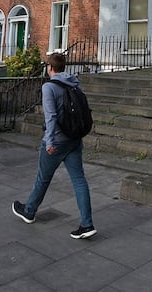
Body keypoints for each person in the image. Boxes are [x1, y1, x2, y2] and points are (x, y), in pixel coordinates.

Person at [12, 51, 96, 239]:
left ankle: (29, 211)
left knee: (43, 178)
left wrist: (49, 141)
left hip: (57, 141)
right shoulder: (74, 83)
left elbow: (51, 116)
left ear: (49, 68)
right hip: (74, 139)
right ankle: (87, 223)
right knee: (79, 180)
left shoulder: (49, 87)